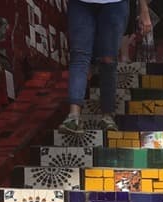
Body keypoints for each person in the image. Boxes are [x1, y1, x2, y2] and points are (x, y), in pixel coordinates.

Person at [60, 0, 152, 135]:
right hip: (80, 4)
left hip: (115, 4)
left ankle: (107, 116)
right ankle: (73, 116)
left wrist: (144, 10)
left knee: (108, 59)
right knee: (79, 55)